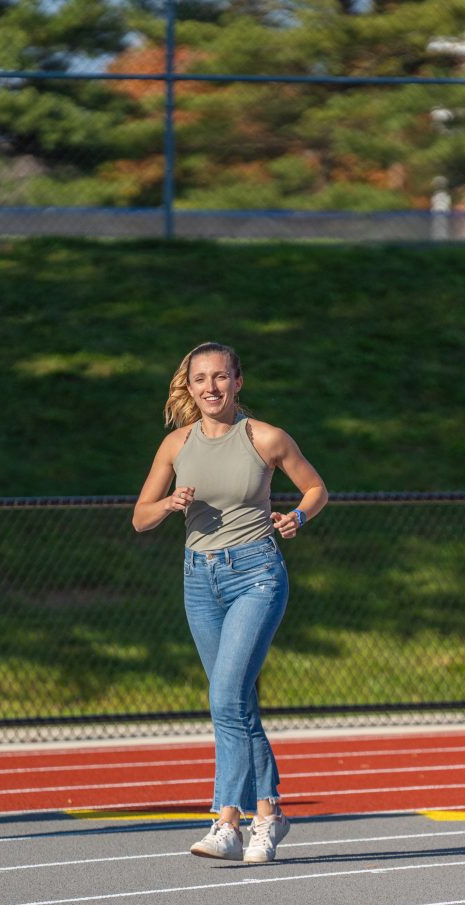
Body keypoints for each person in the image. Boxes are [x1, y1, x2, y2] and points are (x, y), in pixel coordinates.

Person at [132, 343, 328, 863]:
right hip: (199, 579)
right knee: (236, 701)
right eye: (200, 379)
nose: (210, 387)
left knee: (225, 697)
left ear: (237, 382)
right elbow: (140, 517)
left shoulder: (265, 438)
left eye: (220, 377)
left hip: (256, 574)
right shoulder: (176, 444)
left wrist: (297, 517)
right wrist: (169, 503)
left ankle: (226, 821)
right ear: (189, 386)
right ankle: (269, 814)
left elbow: (316, 489)